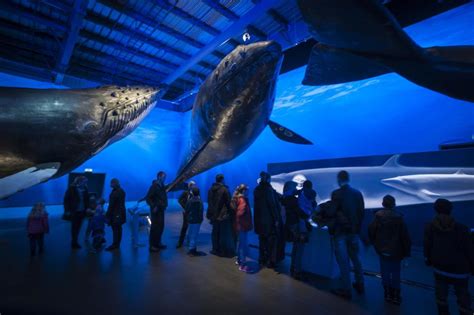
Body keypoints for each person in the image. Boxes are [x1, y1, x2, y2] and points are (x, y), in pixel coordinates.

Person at [424, 198, 473, 315]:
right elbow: (469, 250)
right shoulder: (463, 229)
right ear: (451, 210)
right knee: (463, 299)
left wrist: (428, 259)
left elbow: (427, 245)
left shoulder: (430, 227)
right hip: (460, 271)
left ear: (435, 210)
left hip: (439, 268)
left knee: (441, 297)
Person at [368, 195, 411, 305]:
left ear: (383, 204)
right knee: (396, 273)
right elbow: (405, 237)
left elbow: (371, 232)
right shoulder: (399, 218)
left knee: (385, 273)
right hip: (397, 252)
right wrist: (407, 253)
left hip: (382, 251)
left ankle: (387, 294)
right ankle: (396, 296)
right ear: (394, 204)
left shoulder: (377, 217)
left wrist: (375, 245)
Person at [330, 170, 365, 299]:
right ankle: (360, 283)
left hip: (340, 233)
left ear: (338, 179)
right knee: (356, 259)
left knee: (343, 262)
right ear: (348, 179)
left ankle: (346, 289)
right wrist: (356, 230)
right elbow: (361, 214)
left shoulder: (336, 194)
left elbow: (333, 213)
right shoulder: (358, 193)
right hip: (354, 233)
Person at [254, 171, 285, 269]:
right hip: (268, 221)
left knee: (262, 240)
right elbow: (272, 206)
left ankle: (261, 259)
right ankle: (269, 261)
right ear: (268, 179)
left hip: (259, 220)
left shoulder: (257, 190)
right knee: (270, 242)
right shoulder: (268, 190)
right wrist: (276, 219)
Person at [282, 181, 307, 279]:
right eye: (294, 187)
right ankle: (296, 270)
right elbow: (300, 212)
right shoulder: (292, 200)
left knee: (295, 247)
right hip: (295, 225)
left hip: (290, 225)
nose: (296, 189)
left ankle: (293, 268)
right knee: (299, 247)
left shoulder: (284, 198)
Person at [207, 174, 235, 257]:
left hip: (213, 215)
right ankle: (222, 251)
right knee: (223, 233)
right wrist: (232, 213)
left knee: (215, 233)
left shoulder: (210, 189)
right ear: (222, 180)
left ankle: (215, 249)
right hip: (222, 216)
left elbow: (209, 202)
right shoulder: (224, 189)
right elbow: (228, 202)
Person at [63, 176, 90, 249]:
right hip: (74, 211)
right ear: (79, 181)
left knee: (78, 227)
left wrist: (87, 208)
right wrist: (67, 210)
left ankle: (75, 241)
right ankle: (74, 242)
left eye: (85, 182)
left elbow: (87, 200)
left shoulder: (85, 188)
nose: (85, 183)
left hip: (82, 211)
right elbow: (66, 200)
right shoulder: (71, 188)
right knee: (74, 227)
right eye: (84, 181)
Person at [145, 171, 168, 252]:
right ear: (159, 177)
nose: (165, 178)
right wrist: (153, 206)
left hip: (161, 210)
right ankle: (152, 246)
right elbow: (148, 198)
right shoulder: (154, 186)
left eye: (165, 177)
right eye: (163, 177)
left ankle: (158, 243)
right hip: (156, 211)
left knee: (161, 227)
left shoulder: (162, 186)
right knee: (155, 228)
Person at [233, 184, 253, 272]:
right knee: (243, 245)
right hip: (243, 226)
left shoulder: (238, 198)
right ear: (244, 191)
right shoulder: (243, 200)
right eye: (247, 190)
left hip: (239, 225)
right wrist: (244, 222)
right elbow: (240, 213)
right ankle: (242, 265)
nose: (249, 191)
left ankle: (238, 259)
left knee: (241, 243)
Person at [105, 178, 126, 251]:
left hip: (115, 214)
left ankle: (115, 244)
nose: (110, 184)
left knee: (115, 229)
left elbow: (111, 205)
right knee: (119, 229)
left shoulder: (115, 192)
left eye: (111, 183)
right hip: (120, 213)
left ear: (114, 183)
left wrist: (107, 215)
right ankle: (117, 244)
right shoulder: (121, 191)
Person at [185, 186, 204, 256]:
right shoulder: (200, 201)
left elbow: (187, 209)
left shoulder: (189, 201)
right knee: (194, 235)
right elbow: (201, 211)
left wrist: (187, 217)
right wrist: (201, 219)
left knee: (190, 233)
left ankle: (191, 247)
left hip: (190, 219)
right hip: (197, 220)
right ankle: (192, 250)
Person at [177, 181, 196, 249]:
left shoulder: (195, 193)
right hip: (186, 212)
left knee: (192, 228)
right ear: (190, 186)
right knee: (185, 227)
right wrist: (185, 207)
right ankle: (180, 242)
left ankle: (190, 242)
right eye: (193, 185)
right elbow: (179, 200)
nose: (195, 186)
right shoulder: (185, 192)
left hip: (193, 213)